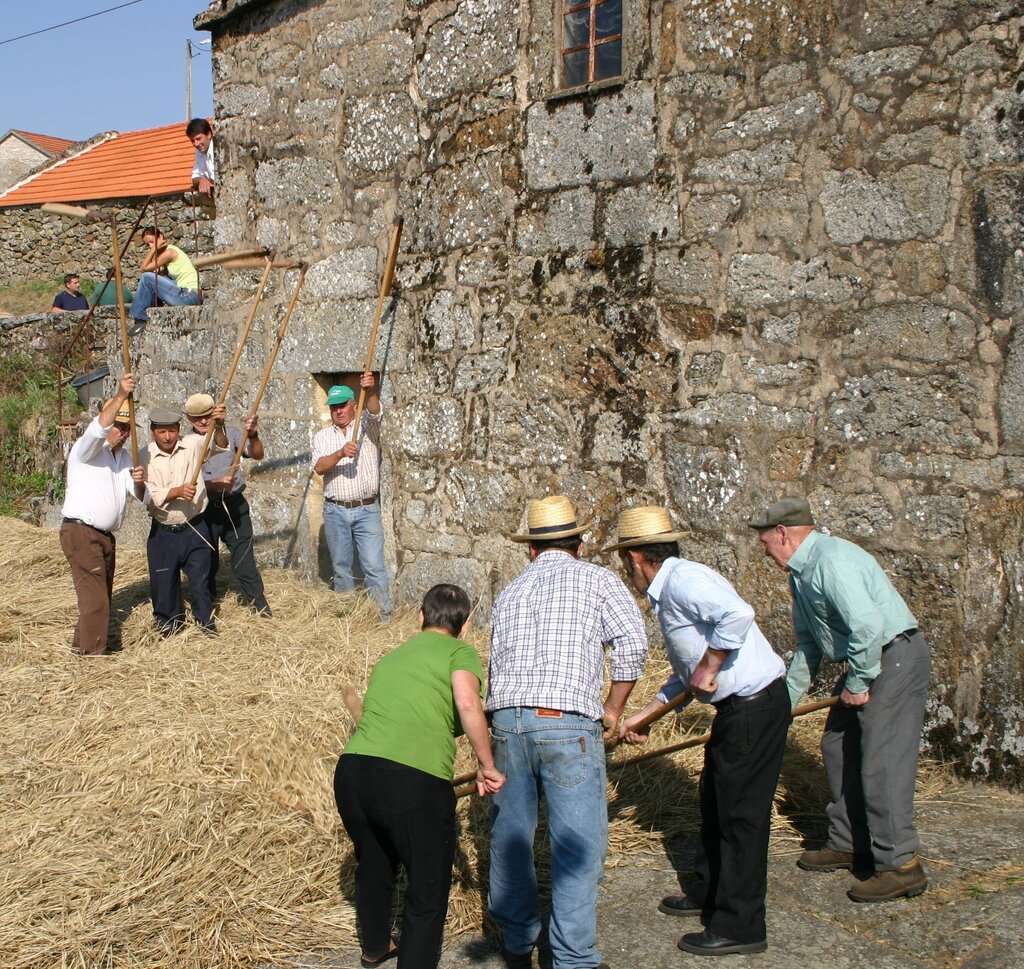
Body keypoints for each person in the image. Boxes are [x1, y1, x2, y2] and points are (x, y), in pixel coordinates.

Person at [609, 506, 788, 956]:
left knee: (741, 817)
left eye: (624, 563)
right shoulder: (672, 589)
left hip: (755, 706)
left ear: (635, 559)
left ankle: (741, 926)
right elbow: (685, 677)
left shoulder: (685, 581)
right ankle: (709, 892)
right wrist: (643, 716)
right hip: (736, 709)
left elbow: (738, 615)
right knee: (714, 801)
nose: (627, 572)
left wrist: (710, 667)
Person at [486, 495, 648, 969]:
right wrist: (613, 709)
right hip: (566, 723)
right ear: (577, 544)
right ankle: (573, 957)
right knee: (577, 844)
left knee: (511, 836)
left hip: (508, 722)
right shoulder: (599, 580)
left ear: (531, 550)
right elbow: (633, 644)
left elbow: (496, 665)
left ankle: (517, 944)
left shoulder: (511, 591)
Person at [748, 497, 930, 903]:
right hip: (868, 660)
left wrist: (860, 680)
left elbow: (868, 625)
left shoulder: (831, 560)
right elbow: (808, 648)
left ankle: (901, 864)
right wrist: (782, 707)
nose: (763, 551)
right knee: (837, 744)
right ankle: (850, 841)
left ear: (783, 534)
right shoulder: (799, 574)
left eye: (765, 543)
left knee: (881, 761)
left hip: (892, 658)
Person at [334, 584, 504, 969]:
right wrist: (487, 764)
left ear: (421, 617)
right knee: (428, 888)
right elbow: (466, 703)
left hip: (353, 773)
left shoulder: (390, 659)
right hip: (412, 780)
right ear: (463, 625)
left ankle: (375, 947)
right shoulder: (460, 651)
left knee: (375, 861)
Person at [59, 374, 145, 655]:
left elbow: (141, 495)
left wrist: (142, 481)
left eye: (127, 428)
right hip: (81, 533)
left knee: (98, 599)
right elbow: (98, 429)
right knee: (96, 601)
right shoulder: (87, 450)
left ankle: (80, 649)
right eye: (118, 426)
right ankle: (93, 661)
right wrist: (121, 394)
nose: (121, 432)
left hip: (104, 537)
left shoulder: (123, 459)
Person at [140, 403, 227, 635]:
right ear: (153, 431)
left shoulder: (192, 444)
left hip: (195, 527)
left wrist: (219, 425)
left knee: (201, 580)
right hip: (163, 532)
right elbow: (146, 494)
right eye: (162, 431)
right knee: (164, 582)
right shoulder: (142, 455)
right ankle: (169, 627)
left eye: (172, 430)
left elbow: (219, 444)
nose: (168, 437)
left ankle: (206, 624)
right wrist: (176, 492)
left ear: (179, 429)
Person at [311, 373, 392, 620]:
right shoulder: (323, 437)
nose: (338, 411)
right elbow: (319, 467)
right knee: (342, 569)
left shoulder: (367, 426)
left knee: (373, 567)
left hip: (366, 510)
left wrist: (372, 389)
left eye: (343, 405)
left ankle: (383, 618)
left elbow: (375, 410)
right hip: (335, 510)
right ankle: (347, 617)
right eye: (334, 407)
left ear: (353, 405)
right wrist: (339, 454)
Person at [184, 393, 271, 616]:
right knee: (206, 563)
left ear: (216, 413)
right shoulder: (185, 445)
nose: (203, 422)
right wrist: (213, 485)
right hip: (203, 510)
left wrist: (253, 434)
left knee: (244, 561)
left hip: (234, 506)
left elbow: (258, 454)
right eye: (197, 418)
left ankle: (260, 609)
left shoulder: (230, 433)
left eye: (207, 416)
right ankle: (206, 612)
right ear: (188, 419)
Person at [128, 226, 201, 336]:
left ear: (160, 237)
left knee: (146, 277)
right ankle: (155, 308)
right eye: (147, 245)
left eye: (152, 242)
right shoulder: (167, 254)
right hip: (189, 294)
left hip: (188, 295)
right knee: (156, 277)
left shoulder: (170, 252)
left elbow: (143, 267)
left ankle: (140, 318)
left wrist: (153, 250)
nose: (150, 246)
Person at [186, 117, 215, 195]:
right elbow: (195, 177)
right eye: (192, 141)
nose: (196, 144)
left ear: (208, 135)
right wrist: (201, 180)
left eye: (198, 139)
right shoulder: (198, 153)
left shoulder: (219, 149)